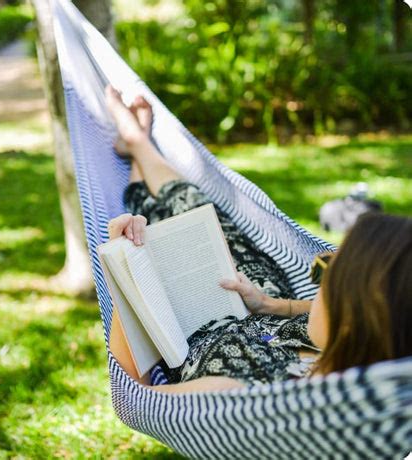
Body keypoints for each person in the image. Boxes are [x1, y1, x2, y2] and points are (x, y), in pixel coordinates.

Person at [105, 86, 412, 393]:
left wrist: (126, 276)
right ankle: (137, 143)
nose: (315, 287)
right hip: (253, 296)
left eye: (325, 274)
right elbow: (320, 311)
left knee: (160, 225)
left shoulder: (239, 391)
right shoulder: (346, 350)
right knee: (197, 212)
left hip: (195, 317)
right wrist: (268, 304)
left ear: (353, 321)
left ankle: (136, 142)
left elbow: (133, 398)